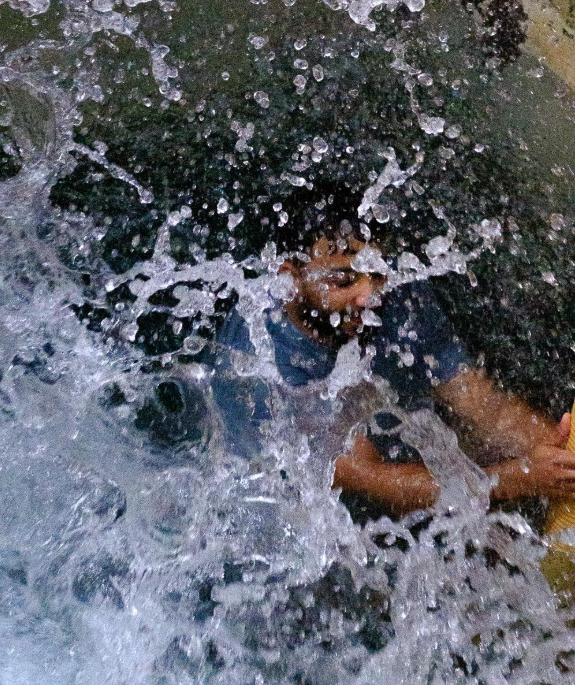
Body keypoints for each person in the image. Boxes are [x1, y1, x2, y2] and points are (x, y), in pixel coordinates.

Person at [211, 181, 575, 517]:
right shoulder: (263, 364)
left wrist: (561, 458)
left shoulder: (395, 293)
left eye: (377, 275)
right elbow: (374, 480)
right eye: (344, 280)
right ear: (290, 278)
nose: (368, 296)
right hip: (272, 506)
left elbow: (480, 403)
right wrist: (521, 478)